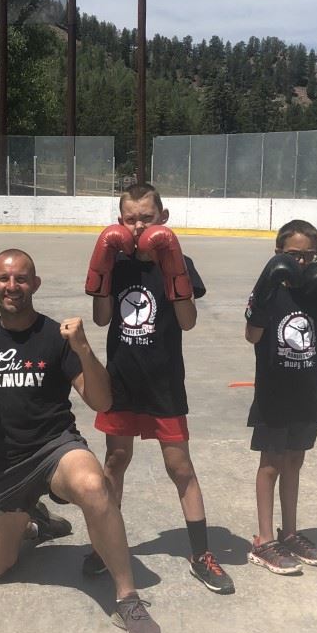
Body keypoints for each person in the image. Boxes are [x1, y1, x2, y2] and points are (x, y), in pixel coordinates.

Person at [0, 249, 163, 633]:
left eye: (21, 279)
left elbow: (102, 401)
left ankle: (128, 598)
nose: (12, 287)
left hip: (56, 449)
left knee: (93, 486)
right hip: (6, 465)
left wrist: (84, 348)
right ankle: (34, 522)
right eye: (4, 279)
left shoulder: (55, 337)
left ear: (35, 284)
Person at [85, 183, 234, 594]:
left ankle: (201, 553)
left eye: (146, 218)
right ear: (119, 222)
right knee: (115, 461)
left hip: (164, 381)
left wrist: (173, 270)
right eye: (130, 219)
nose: (137, 227)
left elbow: (187, 321)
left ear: (162, 219)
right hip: (121, 381)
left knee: (180, 467)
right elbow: (101, 319)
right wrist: (101, 267)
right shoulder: (114, 260)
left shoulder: (179, 258)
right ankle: (105, 546)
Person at [244, 220, 317, 574]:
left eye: (309, 255)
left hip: (308, 390)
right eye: (294, 255)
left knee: (294, 463)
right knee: (271, 464)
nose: (302, 262)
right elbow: (252, 334)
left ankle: (289, 533)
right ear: (278, 253)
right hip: (274, 390)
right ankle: (263, 540)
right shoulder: (270, 288)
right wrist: (263, 291)